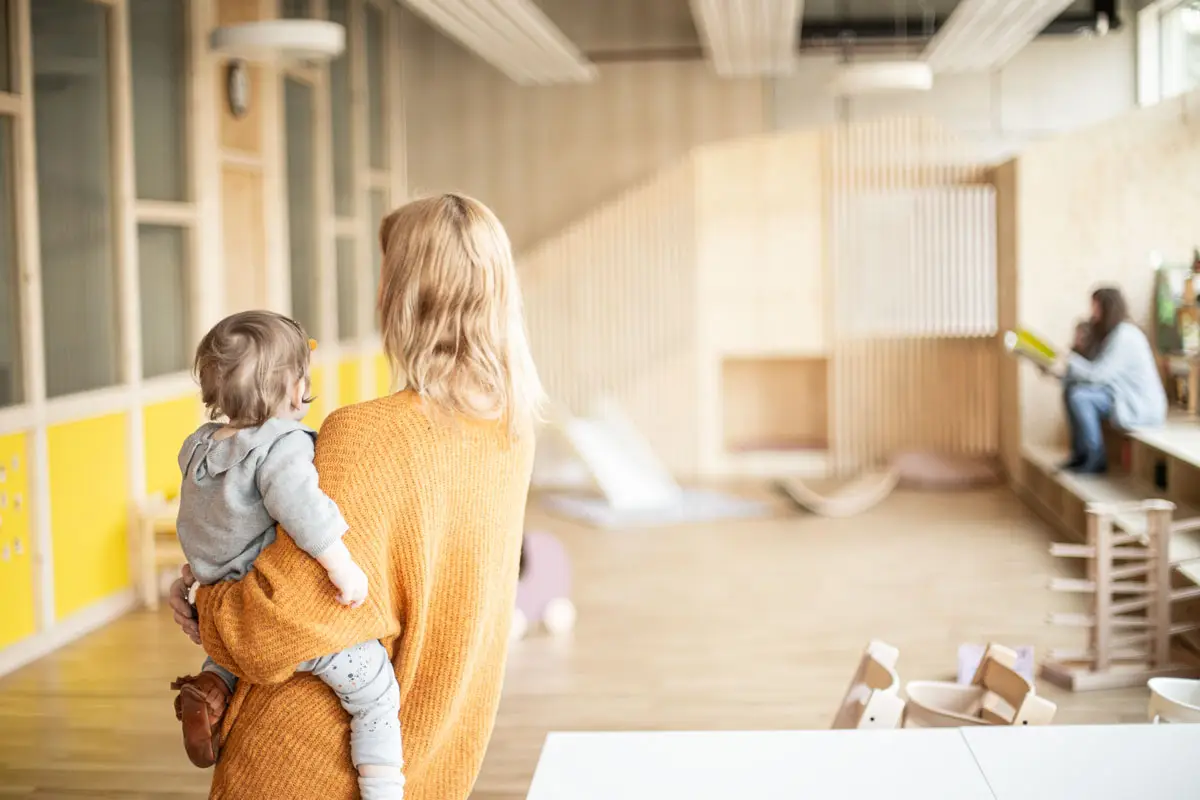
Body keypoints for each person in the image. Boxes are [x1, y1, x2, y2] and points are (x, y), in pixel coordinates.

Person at [168, 194, 544, 800]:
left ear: (402, 297)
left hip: (305, 769)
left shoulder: (367, 435)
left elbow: (267, 632)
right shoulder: (511, 432)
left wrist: (200, 596)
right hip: (421, 764)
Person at [168, 311, 404, 800]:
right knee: (376, 691)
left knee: (231, 656)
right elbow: (305, 511)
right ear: (294, 389)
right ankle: (384, 790)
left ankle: (212, 688)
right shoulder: (281, 446)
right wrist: (344, 570)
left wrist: (191, 574)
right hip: (276, 618)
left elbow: (205, 522)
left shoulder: (198, 449)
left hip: (223, 608)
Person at [1057, 286, 1166, 473]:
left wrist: (1069, 361)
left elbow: (1097, 375)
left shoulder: (1125, 335)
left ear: (1107, 308)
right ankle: (1079, 454)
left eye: (1096, 308)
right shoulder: (1111, 334)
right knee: (1071, 389)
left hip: (1138, 404)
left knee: (1080, 397)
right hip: (1117, 394)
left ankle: (1095, 457)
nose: (1093, 313)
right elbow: (1092, 371)